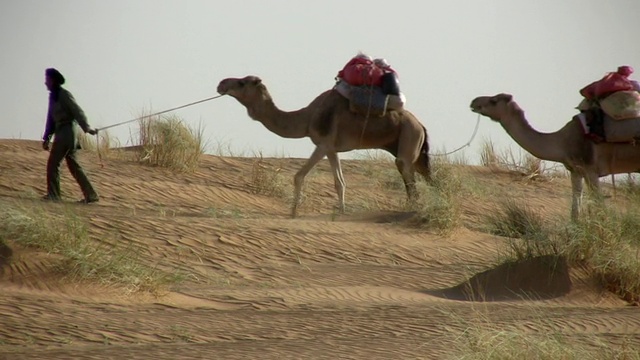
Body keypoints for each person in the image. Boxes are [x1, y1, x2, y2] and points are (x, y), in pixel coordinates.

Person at [41, 68, 99, 203]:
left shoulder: (64, 95)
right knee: (73, 165)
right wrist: (47, 137)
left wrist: (86, 127)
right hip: (62, 133)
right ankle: (91, 195)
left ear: (53, 80)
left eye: (47, 80)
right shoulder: (53, 96)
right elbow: (50, 119)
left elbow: (77, 111)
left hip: (67, 133)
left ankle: (54, 195)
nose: (45, 83)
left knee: (53, 164)